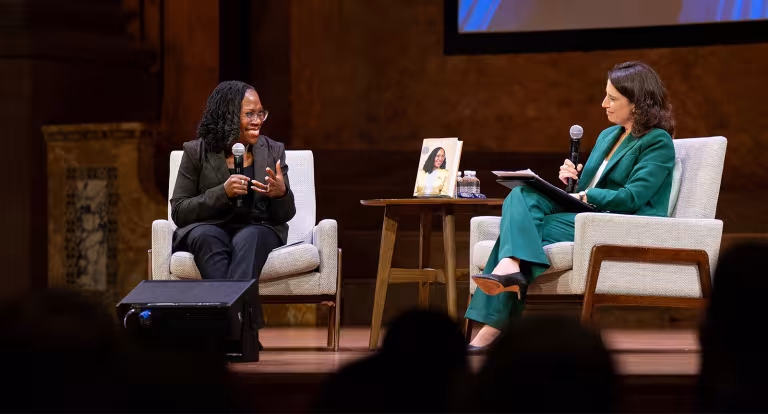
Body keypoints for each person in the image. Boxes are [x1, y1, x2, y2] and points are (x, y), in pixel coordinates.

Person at [467, 61, 676, 350]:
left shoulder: (657, 142)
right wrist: (573, 182)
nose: (604, 104)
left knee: (518, 234)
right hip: (587, 215)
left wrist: (586, 196)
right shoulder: (609, 135)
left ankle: (491, 324)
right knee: (521, 194)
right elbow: (588, 189)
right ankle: (509, 268)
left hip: (618, 221)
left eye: (613, 98)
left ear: (638, 103)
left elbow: (632, 198)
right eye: (606, 95)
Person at [170, 80, 296, 331]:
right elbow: (180, 210)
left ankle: (229, 331)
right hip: (209, 226)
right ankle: (243, 330)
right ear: (228, 116)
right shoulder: (197, 152)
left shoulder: (273, 151)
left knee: (248, 239)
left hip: (258, 227)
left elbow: (285, 215)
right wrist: (222, 193)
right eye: (250, 114)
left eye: (261, 113)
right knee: (207, 237)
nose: (258, 120)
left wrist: (281, 194)